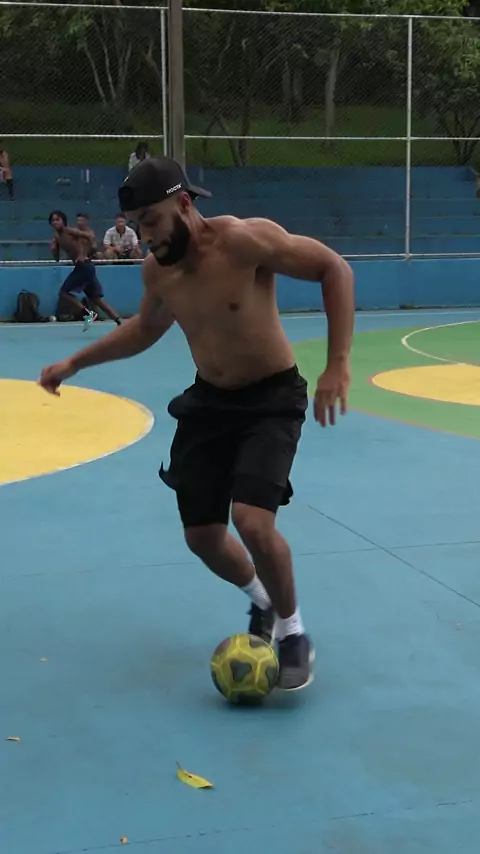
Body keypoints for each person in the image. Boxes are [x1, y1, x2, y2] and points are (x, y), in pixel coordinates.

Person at [39, 157, 354, 691]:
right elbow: (145, 329)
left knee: (252, 522)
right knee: (203, 536)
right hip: (209, 402)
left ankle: (293, 631)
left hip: (271, 398)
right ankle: (262, 601)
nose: (146, 236)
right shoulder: (158, 270)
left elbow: (334, 269)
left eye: (152, 221)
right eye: (138, 225)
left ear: (184, 204)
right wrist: (75, 362)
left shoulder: (244, 241)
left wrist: (337, 363)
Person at [49, 210, 122, 330]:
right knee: (96, 299)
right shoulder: (56, 238)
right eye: (53, 220)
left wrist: (83, 253)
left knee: (63, 293)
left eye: (58, 220)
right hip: (83, 268)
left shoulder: (69, 231)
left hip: (84, 266)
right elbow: (57, 259)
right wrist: (53, 249)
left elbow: (89, 237)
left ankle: (88, 314)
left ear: (63, 221)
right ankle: (119, 321)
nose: (55, 222)